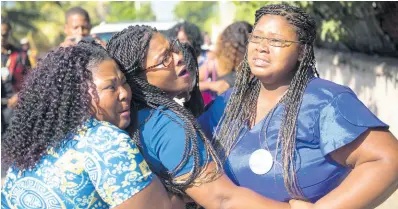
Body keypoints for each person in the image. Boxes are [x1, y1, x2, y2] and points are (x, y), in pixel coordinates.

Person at [199, 3, 398, 208]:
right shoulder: (226, 103)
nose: (261, 47)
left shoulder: (326, 101)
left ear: (302, 51)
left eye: (276, 40)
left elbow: (387, 159)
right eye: (256, 37)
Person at [106, 25, 309, 209]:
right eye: (165, 58)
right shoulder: (165, 125)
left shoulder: (138, 119)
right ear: (139, 79)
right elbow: (222, 200)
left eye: (174, 47)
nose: (178, 57)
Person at [1, 41, 173, 209]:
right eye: (111, 87)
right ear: (79, 95)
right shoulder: (105, 140)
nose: (124, 94)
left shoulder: (33, 142)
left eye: (124, 82)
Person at [199, 21, 252, 105]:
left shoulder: (254, 63)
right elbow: (191, 85)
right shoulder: (215, 63)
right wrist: (211, 85)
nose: (237, 52)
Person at [1, 17, 31, 133]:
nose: (1, 38)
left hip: (14, 109)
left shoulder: (20, 55)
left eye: (4, 34)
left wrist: (20, 95)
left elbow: (32, 81)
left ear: (9, 34)